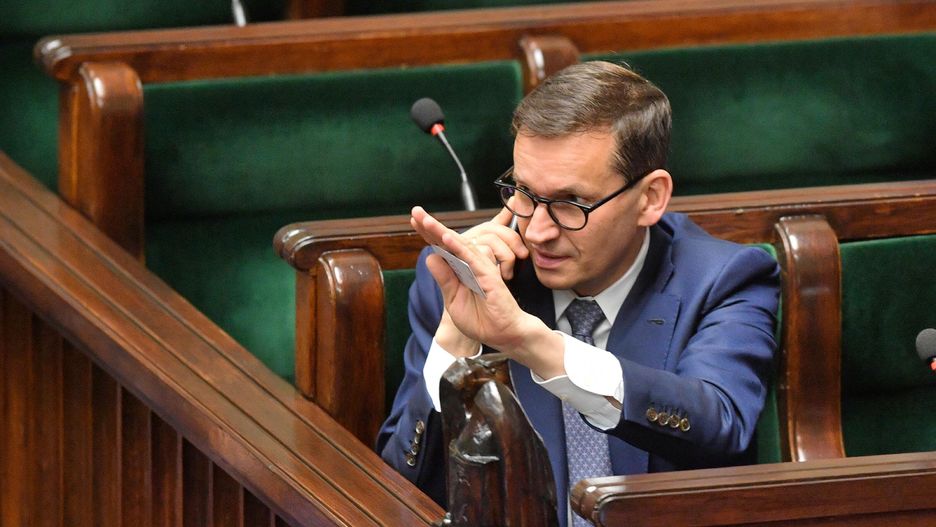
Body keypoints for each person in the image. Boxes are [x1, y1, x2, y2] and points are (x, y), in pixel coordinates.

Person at [377, 61, 779, 526]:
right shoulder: (466, 284)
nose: (538, 231)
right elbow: (401, 487)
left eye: (570, 204)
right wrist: (454, 348)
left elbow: (721, 428)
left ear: (650, 197)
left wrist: (534, 344)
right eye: (523, 192)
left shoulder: (722, 279)